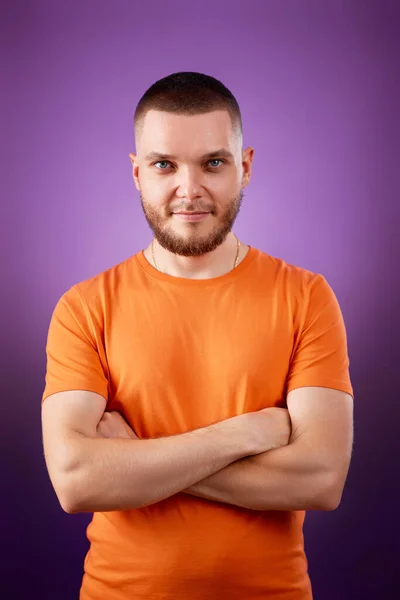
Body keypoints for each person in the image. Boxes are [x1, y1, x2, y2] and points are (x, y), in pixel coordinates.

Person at [41, 71, 354, 600]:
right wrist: (243, 436)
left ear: (245, 167)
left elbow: (321, 480)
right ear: (137, 173)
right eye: (165, 165)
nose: (190, 190)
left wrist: (135, 460)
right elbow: (77, 482)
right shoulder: (84, 307)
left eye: (213, 162)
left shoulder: (306, 296)